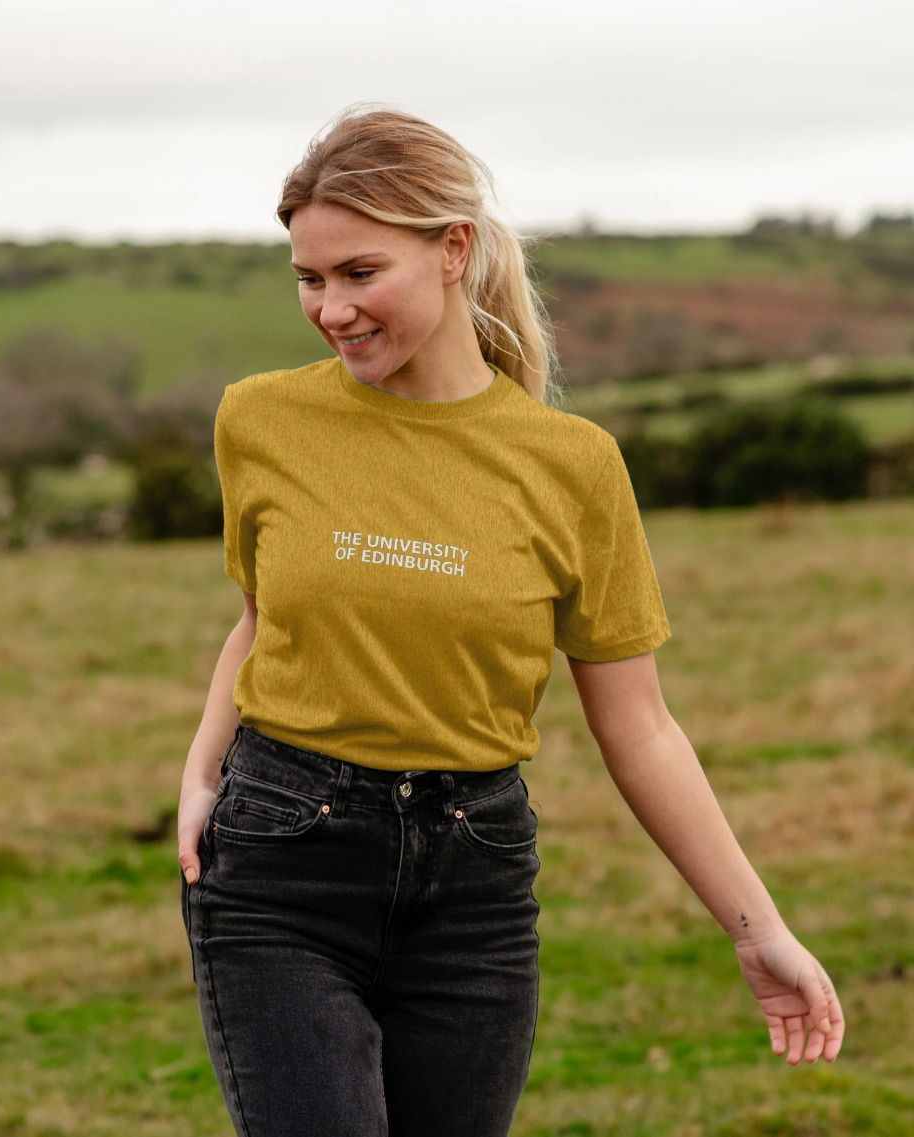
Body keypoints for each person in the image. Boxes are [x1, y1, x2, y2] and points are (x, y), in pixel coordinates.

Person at [177, 105, 845, 1137]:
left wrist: (757, 929)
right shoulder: (260, 418)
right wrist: (203, 772)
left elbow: (642, 727)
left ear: (453, 251)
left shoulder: (571, 465)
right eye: (310, 278)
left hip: (471, 889)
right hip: (282, 870)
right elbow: (263, 618)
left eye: (360, 273)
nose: (331, 309)